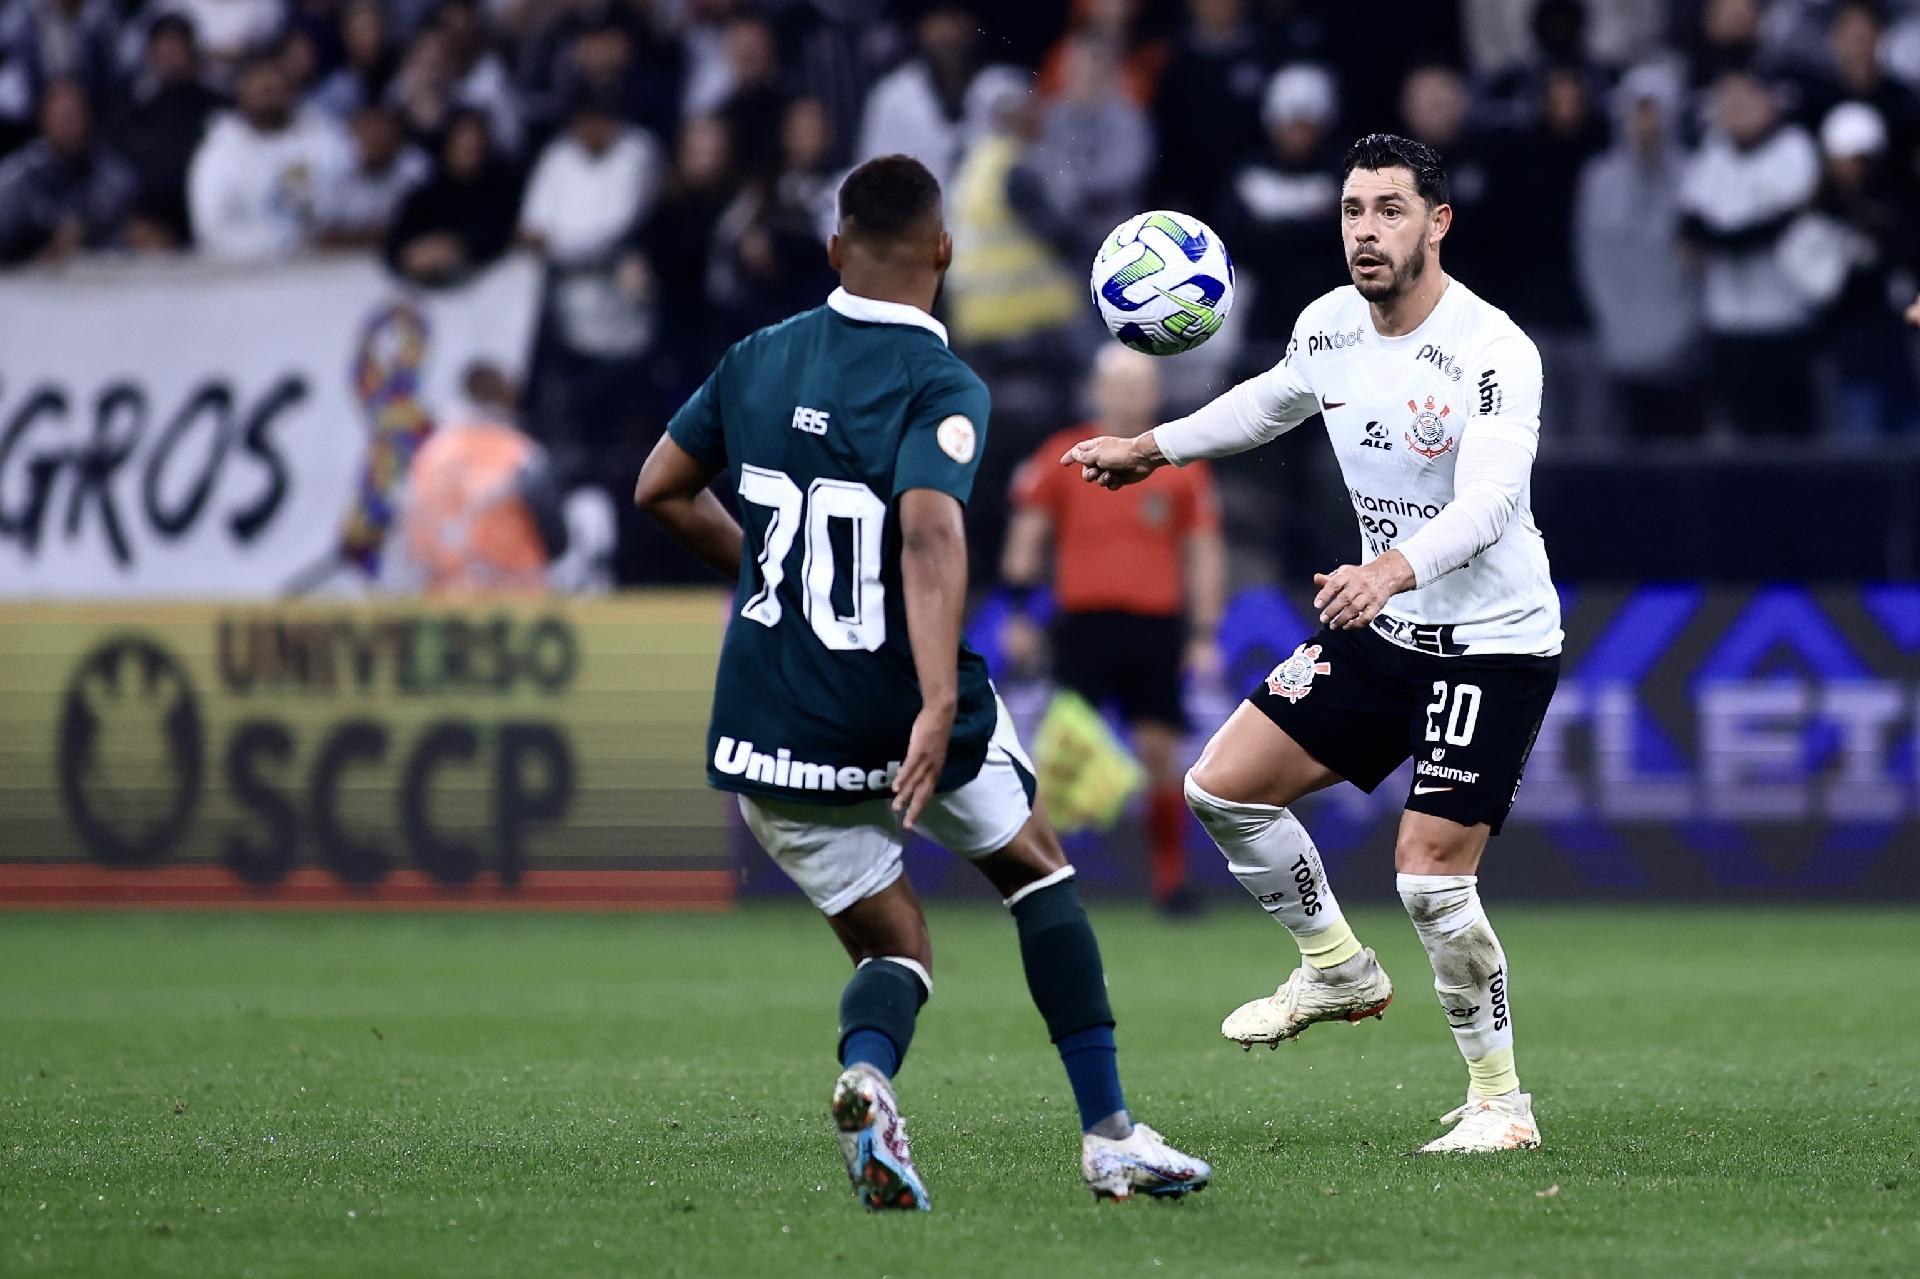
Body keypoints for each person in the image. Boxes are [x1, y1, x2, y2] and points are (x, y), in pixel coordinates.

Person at [633, 155, 1209, 1210]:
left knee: (897, 945)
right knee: (1037, 870)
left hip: (772, 717)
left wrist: (773, 568)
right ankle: (1111, 1133)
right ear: (944, 251)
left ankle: (868, 1078)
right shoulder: (943, 384)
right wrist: (939, 701)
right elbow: (930, 530)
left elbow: (660, 487)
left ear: (833, 250)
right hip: (901, 699)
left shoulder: (757, 355)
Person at [1064, 134, 1561, 1155]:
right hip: (1384, 628)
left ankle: (1501, 1102)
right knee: (1222, 785)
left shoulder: (1495, 349)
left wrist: (1385, 570)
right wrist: (1148, 449)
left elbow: (1492, 500)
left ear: (1438, 223)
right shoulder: (1328, 326)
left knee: (1428, 875)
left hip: (1490, 640)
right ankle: (1335, 963)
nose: (1366, 231)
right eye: (1351, 211)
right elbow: (1267, 403)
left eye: (1388, 209)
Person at [1001, 345, 1225, 915]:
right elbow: (1029, 532)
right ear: (1098, 391)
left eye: (1139, 385)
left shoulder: (1180, 460)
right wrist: (1020, 612)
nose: (1129, 396)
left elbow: (1203, 551)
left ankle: (1170, 882)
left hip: (1154, 626)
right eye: (1119, 385)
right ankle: (1036, 877)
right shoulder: (1065, 453)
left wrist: (1202, 633)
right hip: (1084, 625)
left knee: (1160, 754)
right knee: (1064, 758)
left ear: (1153, 393)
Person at [188, 55, 349, 261]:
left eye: (275, 90)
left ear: (291, 91)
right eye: (262, 92)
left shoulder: (323, 138)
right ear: (242, 95)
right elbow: (211, 229)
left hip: (317, 267)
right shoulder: (219, 152)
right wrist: (281, 242)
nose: (269, 99)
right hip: (241, 273)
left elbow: (342, 205)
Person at [0, 77, 136, 264]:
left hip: (99, 281)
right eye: (62, 117)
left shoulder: (114, 176)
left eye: (75, 117)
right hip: (28, 282)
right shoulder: (17, 177)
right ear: (44, 120)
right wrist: (40, 247)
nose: (69, 126)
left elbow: (128, 236)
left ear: (89, 119)